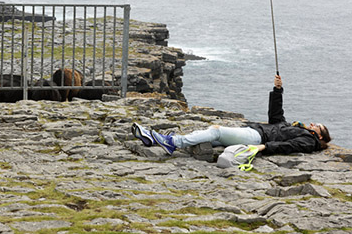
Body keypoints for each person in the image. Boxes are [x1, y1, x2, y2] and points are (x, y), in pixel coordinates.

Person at [133, 75, 331, 156]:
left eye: (317, 126)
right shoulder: (297, 130)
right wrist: (277, 90)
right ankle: (173, 142)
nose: (312, 123)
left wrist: (264, 147)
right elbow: (276, 118)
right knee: (213, 137)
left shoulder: (308, 140)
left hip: (257, 137)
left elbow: (289, 146)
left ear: (320, 135)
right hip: (255, 132)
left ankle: (172, 142)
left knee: (216, 131)